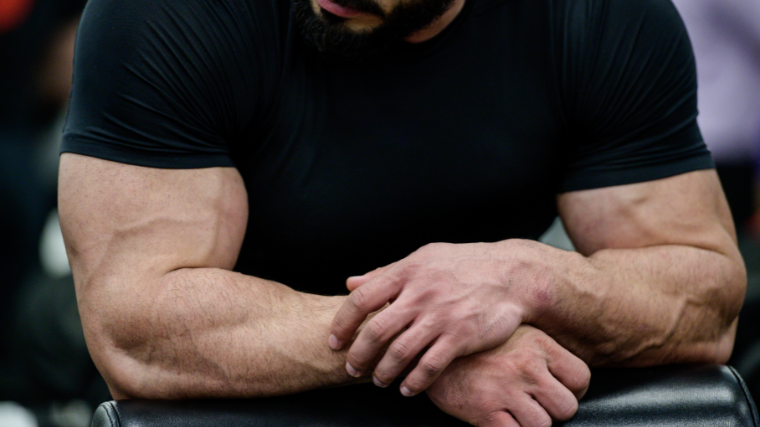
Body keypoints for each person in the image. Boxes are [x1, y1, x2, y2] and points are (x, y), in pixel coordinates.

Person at [58, 0, 747, 424]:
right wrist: (423, 346)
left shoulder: (596, 17)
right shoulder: (167, 13)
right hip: (227, 405)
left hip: (497, 390)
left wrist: (530, 277)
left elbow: (705, 301)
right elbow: (135, 325)